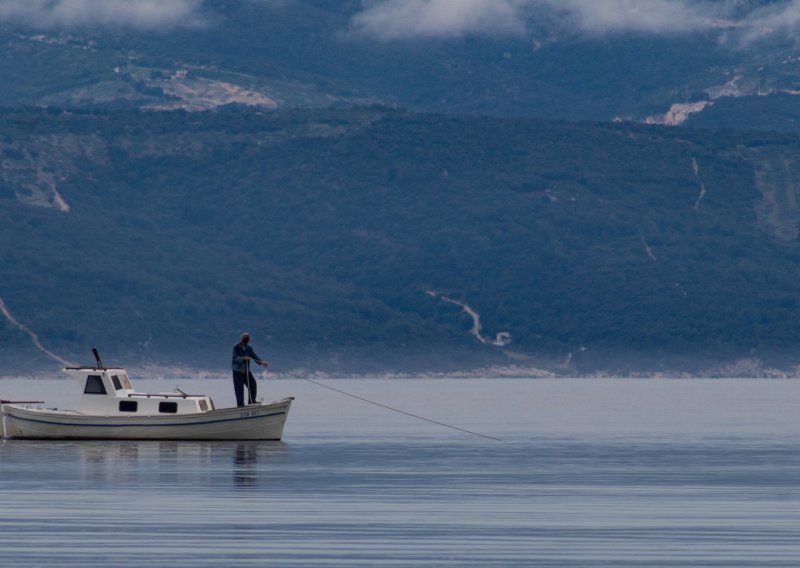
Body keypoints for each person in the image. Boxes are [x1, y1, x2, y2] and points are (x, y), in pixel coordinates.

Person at [231, 332, 269, 407]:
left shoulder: (249, 348)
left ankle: (251, 401)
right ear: (242, 339)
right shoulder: (236, 347)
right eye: (245, 338)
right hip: (237, 371)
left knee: (253, 384)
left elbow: (254, 357)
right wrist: (243, 358)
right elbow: (234, 358)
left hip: (246, 371)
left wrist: (262, 362)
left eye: (248, 339)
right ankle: (240, 404)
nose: (246, 340)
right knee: (239, 388)